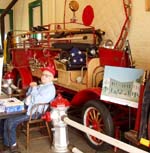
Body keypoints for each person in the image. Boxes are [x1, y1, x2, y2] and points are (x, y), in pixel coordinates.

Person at [2, 66, 56, 152]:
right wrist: (32, 87)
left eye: (47, 75)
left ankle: (13, 147)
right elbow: (28, 94)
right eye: (43, 74)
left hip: (33, 112)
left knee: (10, 121)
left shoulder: (50, 89)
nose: (43, 76)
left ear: (52, 78)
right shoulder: (42, 86)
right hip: (25, 106)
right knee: (5, 116)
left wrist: (34, 88)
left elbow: (36, 100)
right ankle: (6, 143)